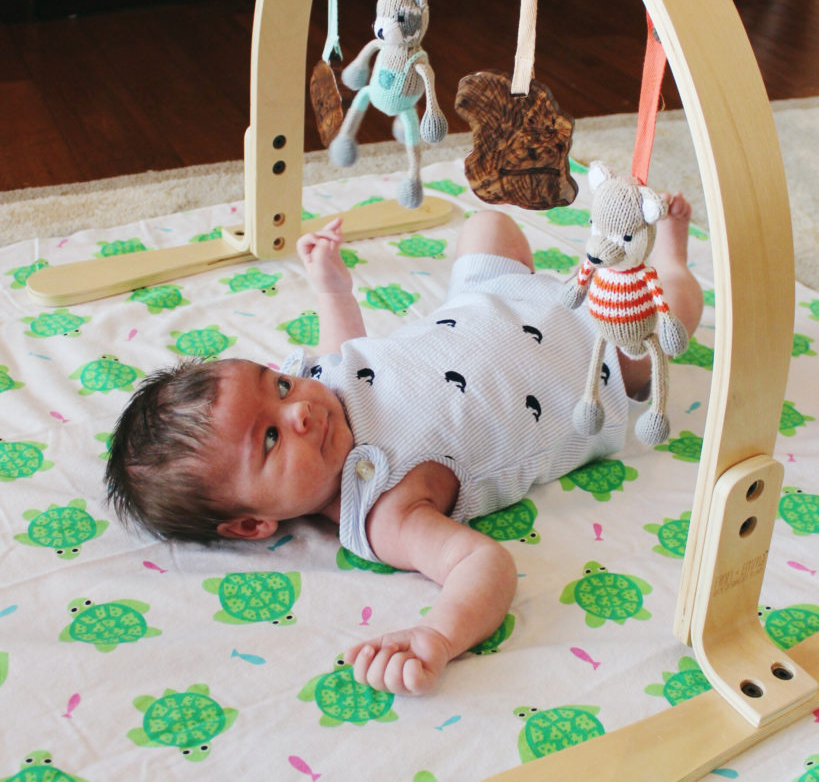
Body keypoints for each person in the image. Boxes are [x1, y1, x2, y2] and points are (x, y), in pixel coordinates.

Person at [106, 199, 702, 696]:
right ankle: (671, 255)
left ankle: (588, 267)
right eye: (269, 438)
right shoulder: (382, 508)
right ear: (250, 525)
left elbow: (347, 356)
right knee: (674, 314)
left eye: (279, 385)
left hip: (488, 298)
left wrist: (332, 286)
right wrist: (439, 636)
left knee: (487, 224)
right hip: (589, 364)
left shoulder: (321, 397)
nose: (300, 411)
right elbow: (482, 564)